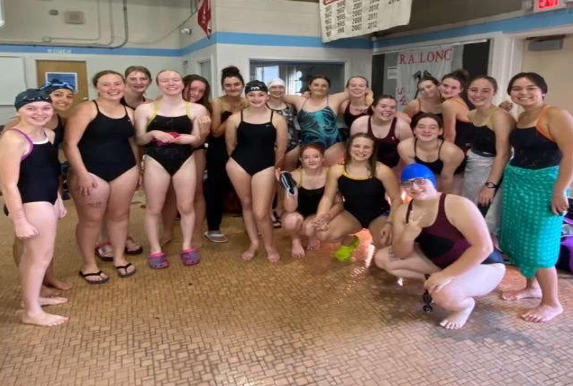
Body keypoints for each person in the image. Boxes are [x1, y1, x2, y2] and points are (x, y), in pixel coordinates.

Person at [374, 163, 506, 330]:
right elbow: (401, 254)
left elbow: (484, 248)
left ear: (432, 181)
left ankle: (464, 306)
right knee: (383, 258)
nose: (414, 187)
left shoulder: (457, 205)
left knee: (443, 295)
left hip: (483, 265)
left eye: (420, 181)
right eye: (407, 183)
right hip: (441, 263)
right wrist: (408, 236)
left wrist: (447, 274)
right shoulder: (404, 211)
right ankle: (439, 280)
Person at [500, 72, 573, 323]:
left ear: (543, 91)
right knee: (521, 238)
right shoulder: (522, 116)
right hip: (518, 183)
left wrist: (560, 190)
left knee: (540, 244)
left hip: (545, 185)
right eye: (517, 89)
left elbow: (571, 153)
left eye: (530, 88)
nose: (523, 93)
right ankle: (532, 287)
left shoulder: (555, 115)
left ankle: (552, 303)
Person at [0, 89, 68, 326]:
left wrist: (58, 198)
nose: (39, 113)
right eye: (31, 108)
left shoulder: (48, 134)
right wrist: (19, 220)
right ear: (18, 110)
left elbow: (50, 170)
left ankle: (33, 298)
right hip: (30, 201)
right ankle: (31, 312)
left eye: (45, 107)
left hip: (47, 197)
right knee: (39, 257)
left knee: (36, 256)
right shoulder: (13, 138)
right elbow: (8, 184)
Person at [64, 70, 139, 284]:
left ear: (124, 86)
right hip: (91, 171)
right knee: (91, 220)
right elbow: (70, 144)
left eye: (117, 83)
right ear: (97, 87)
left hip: (124, 169)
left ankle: (119, 257)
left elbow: (133, 142)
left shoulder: (129, 111)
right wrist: (82, 174)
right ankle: (88, 264)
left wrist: (137, 169)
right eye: (106, 84)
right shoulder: (86, 109)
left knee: (120, 216)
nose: (113, 88)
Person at [135, 70, 209, 268]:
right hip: (155, 160)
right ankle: (155, 249)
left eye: (175, 79)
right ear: (158, 85)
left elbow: (198, 140)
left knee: (186, 206)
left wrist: (190, 138)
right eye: (165, 80)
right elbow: (139, 139)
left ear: (182, 84)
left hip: (185, 159)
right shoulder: (144, 109)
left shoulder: (196, 109)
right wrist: (153, 133)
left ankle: (187, 246)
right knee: (154, 207)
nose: (171, 83)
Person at [225, 80, 288, 262]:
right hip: (238, 164)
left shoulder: (277, 119)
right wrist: (236, 162)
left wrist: (272, 167)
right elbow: (230, 146)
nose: (256, 98)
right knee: (246, 204)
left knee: (261, 212)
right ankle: (253, 243)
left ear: (267, 96)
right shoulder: (235, 118)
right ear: (246, 97)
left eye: (260, 94)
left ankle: (269, 245)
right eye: (252, 95)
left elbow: (281, 149)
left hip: (266, 165)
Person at [315, 133, 402, 261]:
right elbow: (327, 197)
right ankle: (349, 241)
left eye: (366, 147)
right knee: (322, 234)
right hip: (352, 214)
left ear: (373, 150)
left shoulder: (382, 171)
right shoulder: (336, 170)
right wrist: (321, 217)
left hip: (379, 214)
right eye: (356, 146)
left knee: (384, 244)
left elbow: (396, 199)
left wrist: (390, 223)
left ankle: (377, 241)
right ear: (349, 148)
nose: (361, 151)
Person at [95, 65, 152, 261]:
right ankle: (103, 239)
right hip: (105, 157)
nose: (138, 82)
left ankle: (123, 236)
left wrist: (139, 166)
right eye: (133, 78)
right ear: (125, 81)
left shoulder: (149, 104)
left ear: (149, 82)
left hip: (134, 155)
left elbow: (138, 139)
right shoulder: (111, 100)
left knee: (122, 203)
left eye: (143, 78)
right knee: (104, 202)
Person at [160, 74, 212, 248]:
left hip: (194, 151)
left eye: (201, 91)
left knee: (196, 193)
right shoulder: (162, 104)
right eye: (193, 89)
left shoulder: (202, 109)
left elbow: (201, 139)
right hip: (166, 153)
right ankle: (167, 231)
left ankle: (196, 233)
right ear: (183, 86)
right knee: (169, 194)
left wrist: (203, 133)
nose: (196, 93)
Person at [463, 76, 514, 245]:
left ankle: (490, 262)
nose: (478, 94)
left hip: (493, 170)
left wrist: (490, 186)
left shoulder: (499, 116)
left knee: (487, 220)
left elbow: (504, 154)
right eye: (473, 90)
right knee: (472, 217)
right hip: (473, 169)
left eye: (485, 91)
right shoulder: (472, 114)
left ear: (495, 92)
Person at [205, 66, 248, 243]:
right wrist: (236, 114)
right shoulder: (217, 103)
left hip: (242, 148)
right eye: (228, 85)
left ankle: (250, 225)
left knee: (245, 189)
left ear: (242, 85)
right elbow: (215, 132)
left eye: (236, 84)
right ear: (223, 87)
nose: (232, 88)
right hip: (219, 150)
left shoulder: (249, 101)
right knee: (216, 188)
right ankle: (213, 228)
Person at [280, 144, 343, 258]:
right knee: (291, 221)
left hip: (318, 213)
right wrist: (290, 189)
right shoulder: (295, 175)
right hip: (297, 211)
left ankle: (312, 236)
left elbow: (339, 204)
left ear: (322, 158)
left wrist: (326, 217)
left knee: (309, 229)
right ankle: (295, 240)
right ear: (301, 159)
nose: (311, 160)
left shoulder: (330, 174)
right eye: (306, 157)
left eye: (315, 156)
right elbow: (290, 209)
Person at [283, 75, 350, 166]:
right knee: (312, 178)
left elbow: (358, 91)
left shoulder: (334, 99)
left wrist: (370, 96)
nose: (320, 88)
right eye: (316, 85)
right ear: (310, 86)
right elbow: (276, 95)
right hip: (309, 149)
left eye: (324, 85)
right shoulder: (300, 101)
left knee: (334, 175)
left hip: (333, 147)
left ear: (328, 88)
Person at [398, 113, 464, 193]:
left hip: (456, 174)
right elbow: (416, 173)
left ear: (440, 131)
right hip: (429, 173)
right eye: (421, 127)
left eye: (432, 128)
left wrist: (443, 198)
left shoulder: (451, 152)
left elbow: (446, 177)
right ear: (414, 130)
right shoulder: (405, 147)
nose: (426, 131)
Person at [350, 95, 412, 170]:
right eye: (383, 106)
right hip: (365, 166)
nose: (388, 110)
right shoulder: (359, 123)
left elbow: (408, 153)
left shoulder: (402, 126)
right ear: (373, 108)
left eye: (392, 107)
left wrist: (398, 170)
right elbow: (353, 149)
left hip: (392, 168)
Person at [440, 69, 475, 153]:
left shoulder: (448, 104)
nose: (448, 90)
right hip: (464, 149)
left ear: (461, 90)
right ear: (439, 84)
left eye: (453, 88)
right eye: (445, 85)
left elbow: (450, 135)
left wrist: (446, 156)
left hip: (456, 150)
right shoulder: (459, 100)